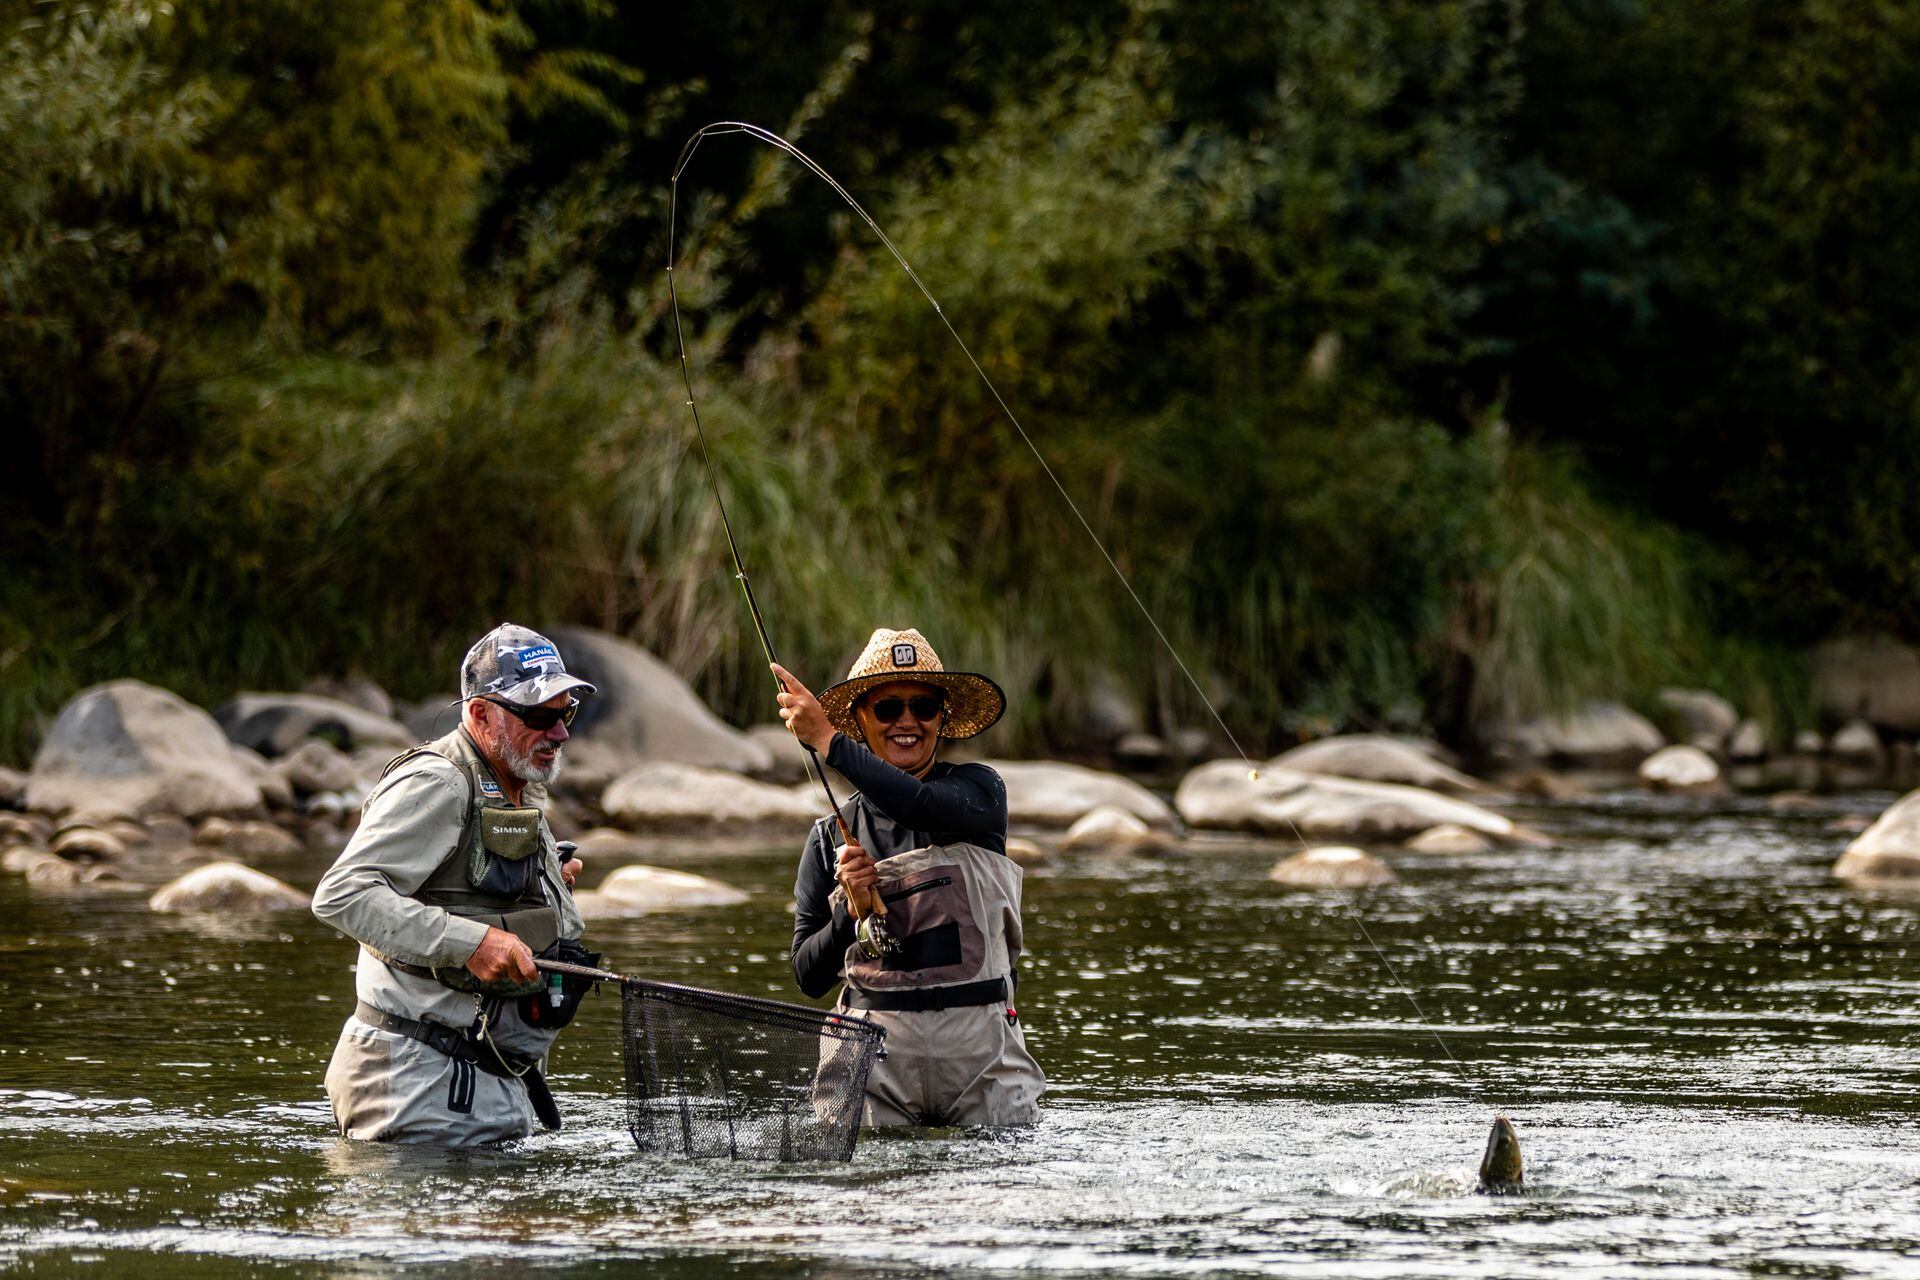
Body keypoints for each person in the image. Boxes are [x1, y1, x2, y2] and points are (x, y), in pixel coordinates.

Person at [312, 623, 600, 1145]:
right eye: (538, 715)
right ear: (480, 714)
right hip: (419, 1088)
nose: (559, 733)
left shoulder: (511, 784)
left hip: (478, 1087)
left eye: (564, 713)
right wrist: (473, 944)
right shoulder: (439, 780)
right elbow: (343, 893)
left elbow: (458, 888)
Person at [775, 626, 1044, 1127]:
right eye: (887, 708)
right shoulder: (826, 836)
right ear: (860, 719)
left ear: (942, 719)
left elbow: (915, 804)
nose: (907, 722)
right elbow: (808, 977)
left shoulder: (978, 794)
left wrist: (826, 741)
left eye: (923, 707)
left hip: (981, 1055)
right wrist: (847, 915)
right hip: (872, 1059)